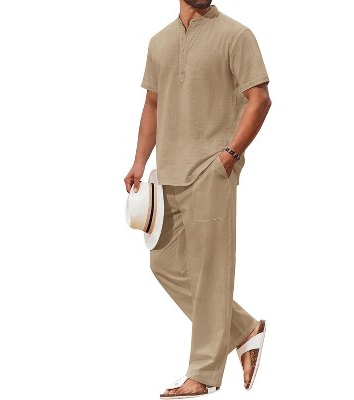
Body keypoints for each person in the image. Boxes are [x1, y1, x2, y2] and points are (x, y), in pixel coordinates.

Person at [124, 1, 272, 397]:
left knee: (210, 274)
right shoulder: (159, 42)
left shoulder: (236, 35)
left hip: (211, 171)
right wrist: (139, 160)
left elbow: (259, 99)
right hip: (168, 173)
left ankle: (202, 375)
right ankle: (244, 330)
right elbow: (153, 103)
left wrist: (230, 156)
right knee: (163, 263)